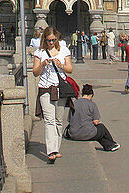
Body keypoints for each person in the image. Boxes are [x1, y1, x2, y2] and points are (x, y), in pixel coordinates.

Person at [32, 26, 73, 164]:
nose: (51, 43)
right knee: (49, 120)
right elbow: (35, 72)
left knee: (58, 120)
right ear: (45, 39)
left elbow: (70, 69)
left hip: (60, 88)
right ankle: (51, 151)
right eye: (48, 40)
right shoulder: (40, 52)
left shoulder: (64, 51)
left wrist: (60, 65)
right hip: (45, 88)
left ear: (57, 39)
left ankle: (56, 147)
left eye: (53, 40)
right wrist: (43, 64)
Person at [67, 84, 120, 151]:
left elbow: (70, 120)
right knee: (101, 128)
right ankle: (112, 144)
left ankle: (109, 145)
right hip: (86, 133)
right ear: (91, 95)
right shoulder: (91, 104)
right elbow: (95, 122)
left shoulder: (74, 103)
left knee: (97, 134)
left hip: (73, 134)